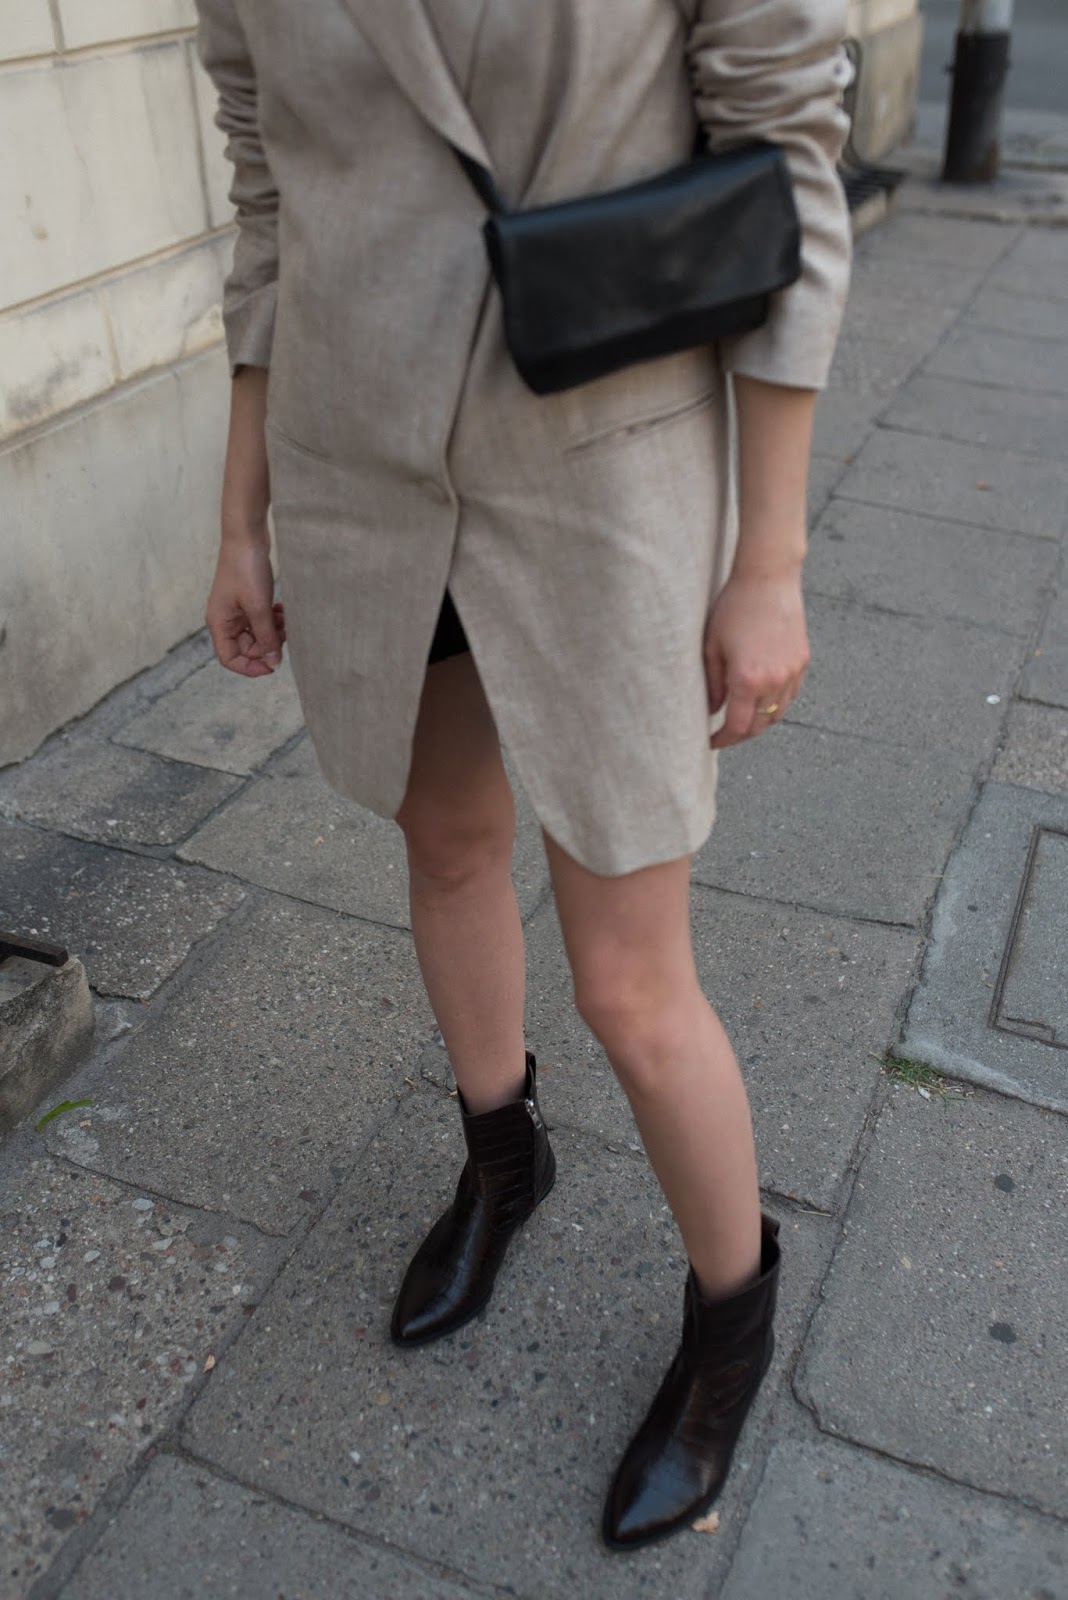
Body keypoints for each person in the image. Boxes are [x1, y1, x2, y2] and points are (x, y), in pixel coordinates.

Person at [195, 0, 852, 1551]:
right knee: (444, 846)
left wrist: (770, 561)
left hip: (597, 470)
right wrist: (240, 516)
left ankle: (732, 1320)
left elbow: (784, 174)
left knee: (632, 981)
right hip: (360, 474)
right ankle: (505, 1161)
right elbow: (268, 203)